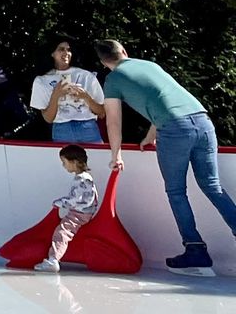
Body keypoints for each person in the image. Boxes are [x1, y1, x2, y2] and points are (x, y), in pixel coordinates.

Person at [97, 39, 236, 276]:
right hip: (202, 121)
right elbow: (164, 97)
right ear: (124, 52)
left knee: (176, 192)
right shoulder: (149, 65)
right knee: (212, 186)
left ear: (103, 62)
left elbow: (113, 119)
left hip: (174, 130)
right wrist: (152, 134)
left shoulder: (113, 80)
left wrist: (116, 154)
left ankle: (195, 251)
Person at [36, 144, 101, 273]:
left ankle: (53, 260)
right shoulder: (83, 178)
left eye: (64, 162)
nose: (63, 166)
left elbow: (75, 200)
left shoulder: (82, 179)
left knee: (62, 232)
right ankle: (53, 258)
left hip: (80, 214)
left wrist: (59, 202)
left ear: (74, 162)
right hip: (81, 212)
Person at [30, 36, 105, 144]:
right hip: (62, 129)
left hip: (88, 127)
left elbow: (101, 112)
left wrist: (85, 97)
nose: (66, 52)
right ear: (52, 53)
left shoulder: (86, 76)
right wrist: (56, 95)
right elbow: (48, 118)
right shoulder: (42, 80)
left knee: (96, 160)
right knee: (67, 161)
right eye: (61, 49)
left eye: (69, 50)